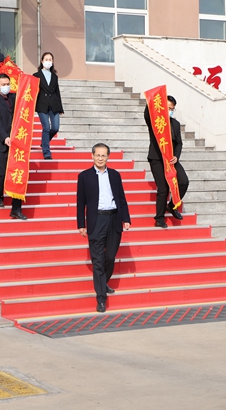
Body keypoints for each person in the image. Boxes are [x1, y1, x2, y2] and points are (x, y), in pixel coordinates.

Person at [76, 143, 131, 313]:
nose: (100, 158)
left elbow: (121, 198)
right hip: (96, 220)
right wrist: (81, 224)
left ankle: (102, 282)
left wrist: (126, 219)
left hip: (114, 219)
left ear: (108, 157)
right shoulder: (84, 176)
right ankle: (101, 298)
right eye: (97, 155)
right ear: (92, 156)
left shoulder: (115, 175)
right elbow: (81, 203)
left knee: (111, 256)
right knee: (98, 261)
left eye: (103, 155)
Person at [144, 95, 189, 228]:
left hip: (171, 159)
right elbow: (147, 114)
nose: (170, 111)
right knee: (163, 188)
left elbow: (179, 143)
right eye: (168, 108)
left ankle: (171, 205)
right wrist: (151, 100)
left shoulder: (175, 124)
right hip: (157, 159)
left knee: (183, 181)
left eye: (172, 109)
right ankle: (159, 218)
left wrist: (176, 156)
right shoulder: (154, 121)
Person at [0, 73, 26, 220]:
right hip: (0, 141)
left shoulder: (14, 97)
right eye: (3, 84)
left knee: (18, 173)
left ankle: (16, 208)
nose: (6, 87)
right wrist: (5, 137)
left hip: (17, 142)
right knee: (2, 173)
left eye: (7, 84)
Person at [33, 52, 64, 160]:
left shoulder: (54, 76)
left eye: (50, 59)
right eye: (46, 59)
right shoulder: (36, 75)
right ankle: (46, 152)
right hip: (42, 105)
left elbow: (57, 92)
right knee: (46, 127)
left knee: (55, 128)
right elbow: (33, 91)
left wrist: (60, 108)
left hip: (54, 104)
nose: (48, 61)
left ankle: (44, 141)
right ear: (42, 61)